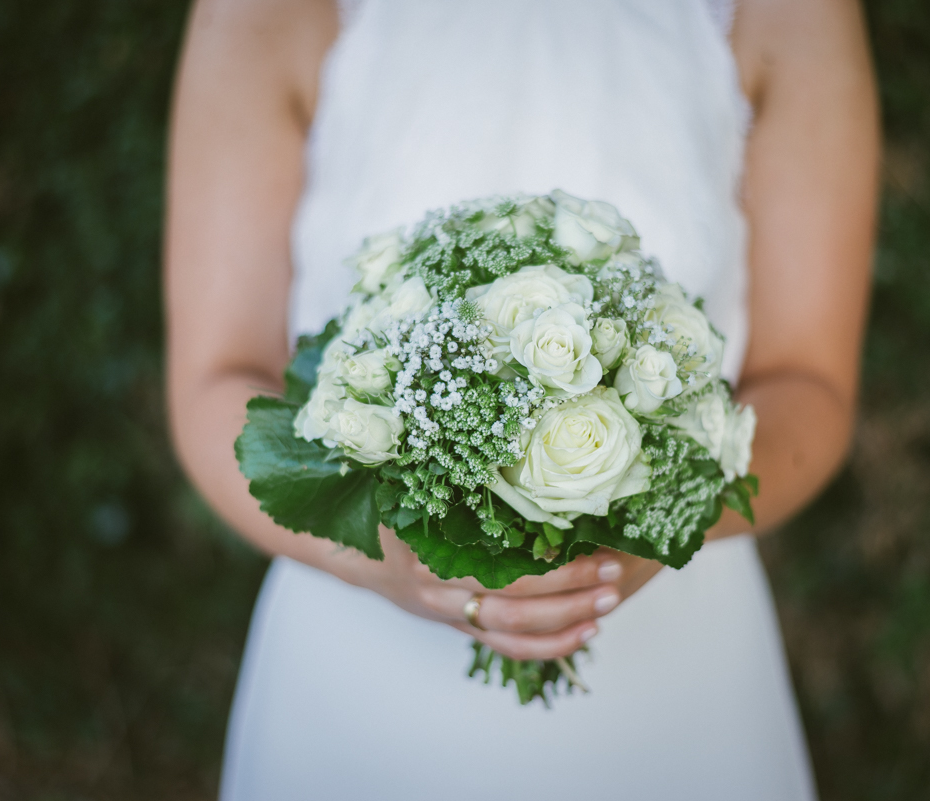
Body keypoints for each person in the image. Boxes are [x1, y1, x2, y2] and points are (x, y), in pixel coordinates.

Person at [164, 0, 878, 797]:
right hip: (357, 679)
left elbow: (807, 383)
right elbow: (215, 380)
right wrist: (385, 560)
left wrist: (664, 519)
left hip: (679, 678)